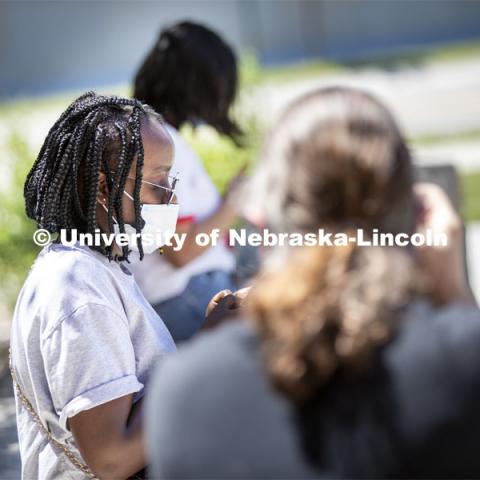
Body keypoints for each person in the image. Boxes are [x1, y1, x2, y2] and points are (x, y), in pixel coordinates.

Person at [146, 87, 479, 479]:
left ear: (261, 225)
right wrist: (453, 293)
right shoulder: (462, 362)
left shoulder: (182, 391)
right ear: (416, 216)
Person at [10, 92, 179, 479]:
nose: (172, 196)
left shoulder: (96, 265)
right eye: (158, 182)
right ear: (104, 189)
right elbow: (111, 459)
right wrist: (204, 354)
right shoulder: (79, 291)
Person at [130, 21, 244, 342]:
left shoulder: (151, 135)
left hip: (186, 296)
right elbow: (179, 250)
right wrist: (234, 200)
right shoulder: (163, 144)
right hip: (188, 297)